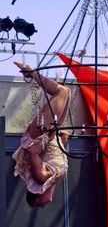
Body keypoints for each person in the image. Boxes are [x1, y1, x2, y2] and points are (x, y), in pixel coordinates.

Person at [12, 62, 71, 208]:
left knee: (61, 93)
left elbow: (34, 151)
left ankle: (31, 72)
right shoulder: (55, 181)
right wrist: (61, 142)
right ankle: (32, 73)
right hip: (49, 133)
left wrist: (50, 136)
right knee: (67, 92)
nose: (45, 205)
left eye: (40, 205)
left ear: (37, 196)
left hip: (38, 135)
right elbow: (52, 156)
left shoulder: (40, 179)